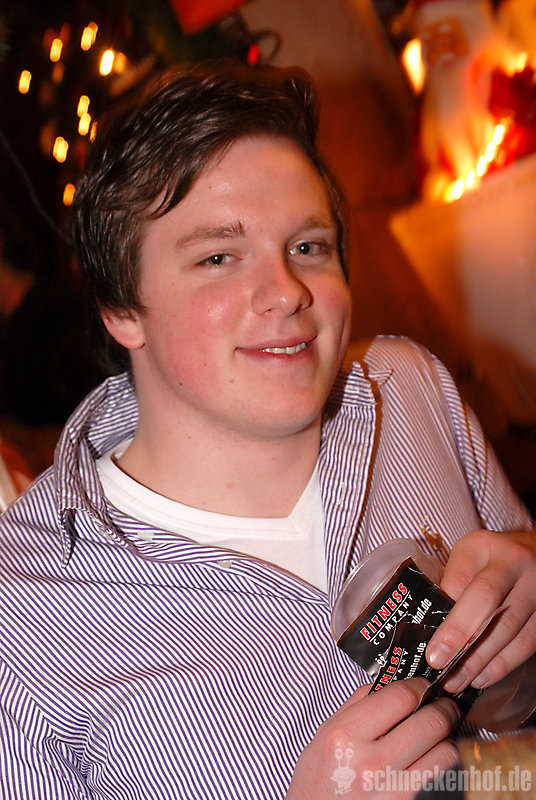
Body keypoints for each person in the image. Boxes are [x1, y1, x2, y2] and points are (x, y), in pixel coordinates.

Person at [0, 62, 534, 800]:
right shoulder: (21, 623)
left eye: (308, 247)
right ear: (121, 309)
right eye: (218, 257)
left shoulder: (409, 389)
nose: (286, 292)